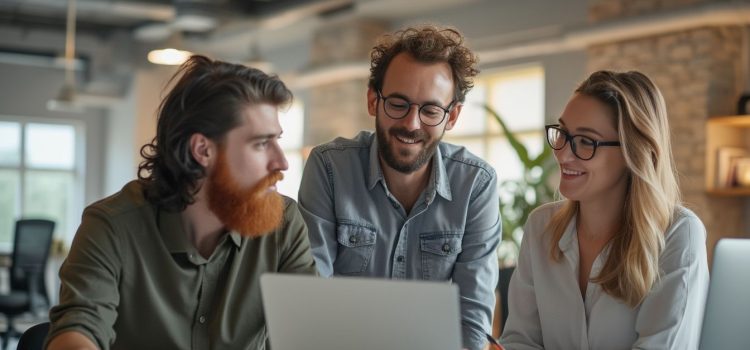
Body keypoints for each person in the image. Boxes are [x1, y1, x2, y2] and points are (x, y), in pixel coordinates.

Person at [46, 55, 317, 350]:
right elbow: (77, 330)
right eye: (261, 144)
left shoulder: (284, 223)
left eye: (277, 140)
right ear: (203, 150)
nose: (281, 162)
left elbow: (308, 336)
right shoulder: (112, 225)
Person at [298, 25, 501, 350]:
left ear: (452, 117)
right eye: (398, 103)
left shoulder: (476, 184)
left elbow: (472, 319)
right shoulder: (329, 168)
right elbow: (311, 296)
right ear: (372, 101)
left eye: (431, 110)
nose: (411, 123)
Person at [500, 70, 709, 349]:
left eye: (586, 141)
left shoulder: (678, 233)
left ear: (633, 152)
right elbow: (519, 341)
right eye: (562, 133)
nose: (562, 153)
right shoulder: (541, 227)